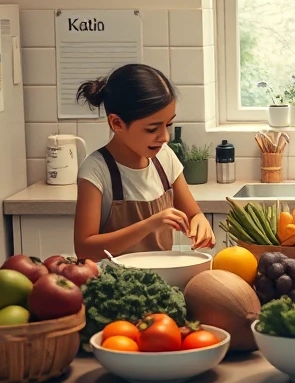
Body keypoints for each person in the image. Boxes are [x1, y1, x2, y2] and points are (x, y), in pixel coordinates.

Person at [73, 64, 215, 261]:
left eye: (168, 124)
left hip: (163, 277)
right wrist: (149, 225)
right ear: (116, 123)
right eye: (152, 129)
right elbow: (84, 249)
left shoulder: (165, 157)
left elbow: (194, 214)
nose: (165, 137)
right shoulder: (95, 170)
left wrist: (200, 222)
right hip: (114, 279)